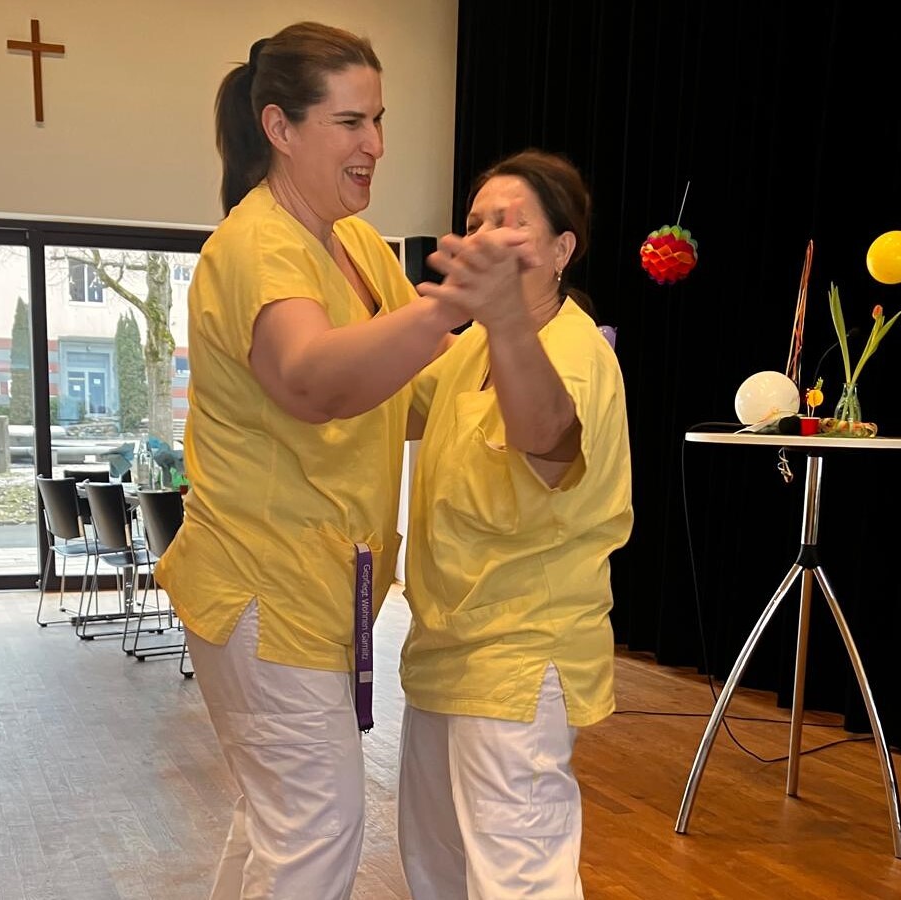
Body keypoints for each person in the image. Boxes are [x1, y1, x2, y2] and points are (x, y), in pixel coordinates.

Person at [153, 21, 519, 900]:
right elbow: (312, 380)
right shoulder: (258, 244)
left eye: (379, 120)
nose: (376, 145)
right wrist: (448, 307)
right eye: (351, 123)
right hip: (264, 586)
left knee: (282, 823)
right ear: (280, 127)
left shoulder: (355, 246)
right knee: (315, 828)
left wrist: (530, 356)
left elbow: (416, 389)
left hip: (318, 589)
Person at [397, 149, 634, 899]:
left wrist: (498, 316)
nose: (487, 238)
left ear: (562, 250)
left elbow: (549, 438)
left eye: (510, 223)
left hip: (521, 655)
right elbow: (390, 406)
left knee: (519, 880)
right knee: (436, 867)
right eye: (475, 224)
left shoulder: (575, 349)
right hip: (443, 649)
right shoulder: (467, 347)